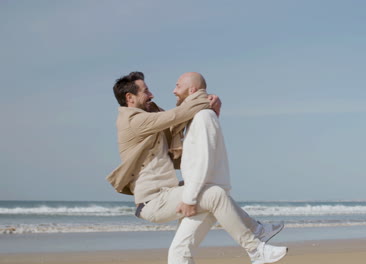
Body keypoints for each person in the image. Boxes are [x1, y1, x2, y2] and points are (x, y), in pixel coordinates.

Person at [106, 72, 287, 264]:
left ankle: (257, 230)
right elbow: (177, 115)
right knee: (215, 195)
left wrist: (212, 101)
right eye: (146, 91)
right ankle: (255, 248)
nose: (151, 94)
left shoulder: (148, 115)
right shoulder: (133, 121)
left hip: (168, 192)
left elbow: (179, 122)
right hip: (153, 201)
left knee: (183, 244)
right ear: (129, 98)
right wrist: (203, 97)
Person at [168, 72, 285, 264]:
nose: (173, 90)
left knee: (179, 251)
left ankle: (257, 246)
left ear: (192, 90)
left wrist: (189, 198)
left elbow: (203, 160)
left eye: (177, 86)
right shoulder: (200, 116)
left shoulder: (203, 117)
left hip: (203, 195)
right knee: (180, 251)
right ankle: (258, 232)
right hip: (204, 192)